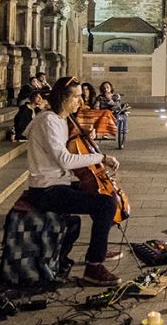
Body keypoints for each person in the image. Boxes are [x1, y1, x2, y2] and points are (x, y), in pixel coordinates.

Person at [24, 79, 123, 286]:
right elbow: (65, 160)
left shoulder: (61, 120)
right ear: (63, 98)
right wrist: (100, 158)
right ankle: (94, 267)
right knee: (106, 205)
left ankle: (99, 248)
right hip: (45, 190)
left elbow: (68, 154)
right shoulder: (48, 121)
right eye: (76, 96)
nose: (81, 100)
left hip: (59, 183)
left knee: (103, 194)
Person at [95, 80, 129, 149]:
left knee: (115, 116)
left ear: (111, 88)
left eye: (107, 87)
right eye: (104, 88)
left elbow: (117, 107)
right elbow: (97, 105)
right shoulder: (100, 97)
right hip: (103, 113)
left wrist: (109, 99)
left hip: (113, 113)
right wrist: (96, 107)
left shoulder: (115, 96)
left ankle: (109, 130)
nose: (106, 89)